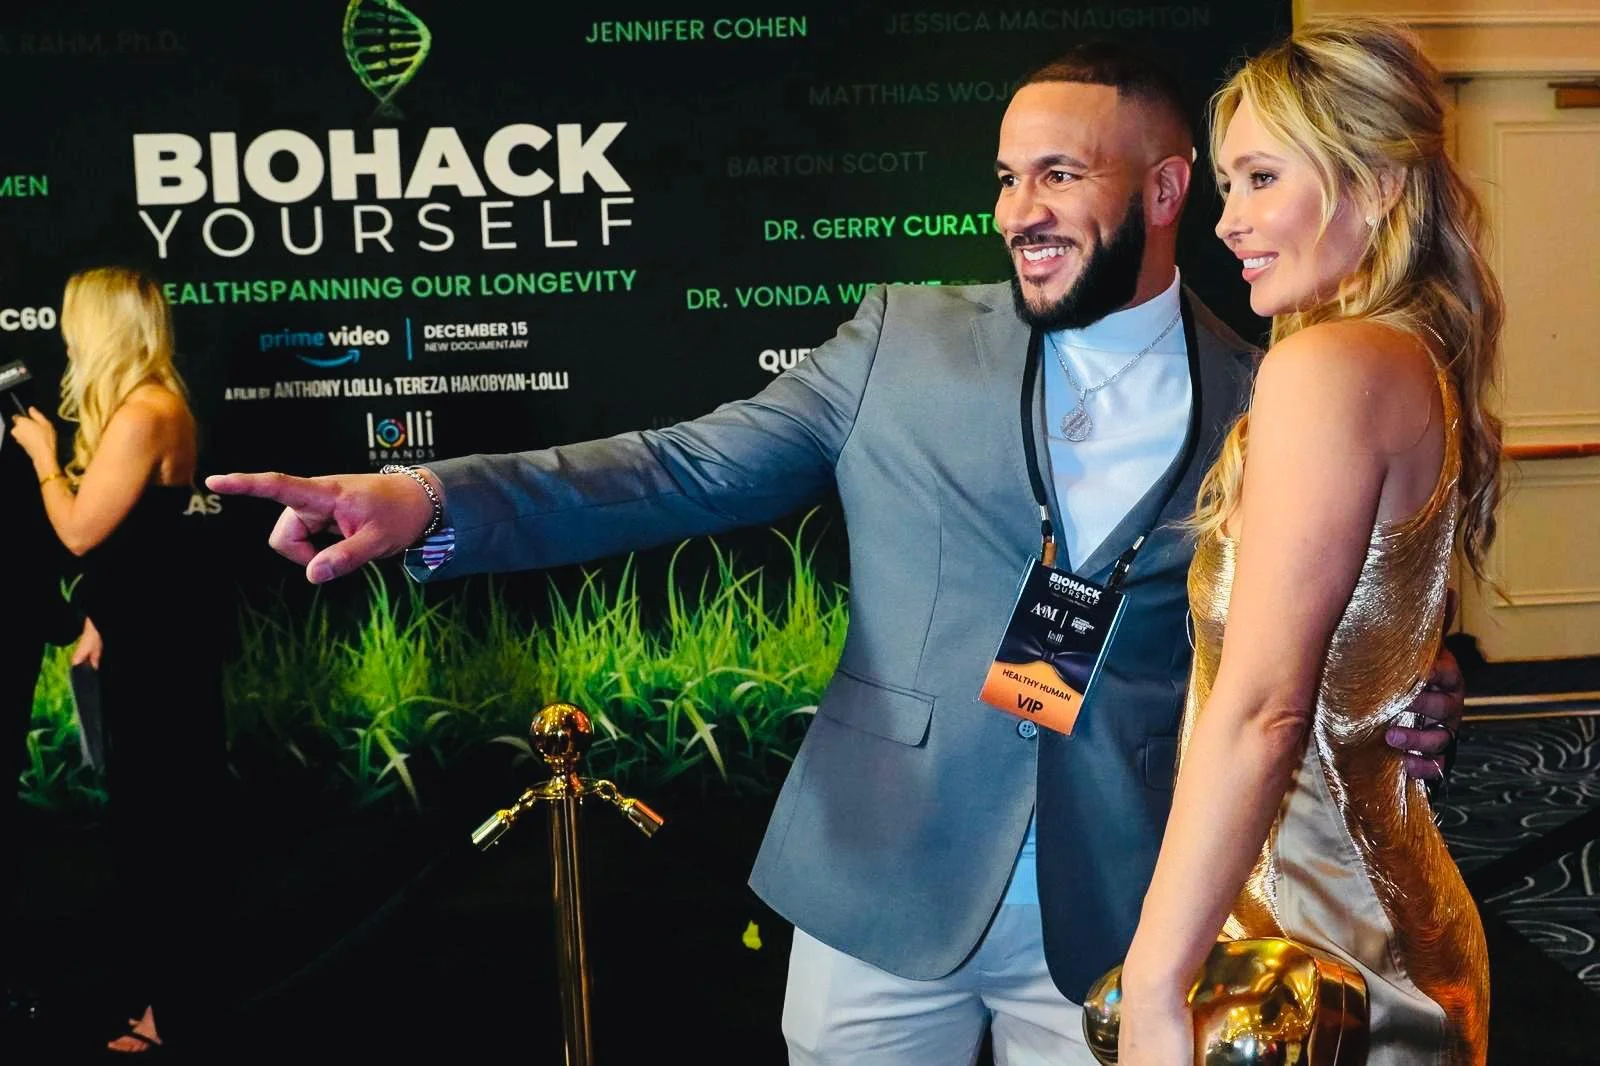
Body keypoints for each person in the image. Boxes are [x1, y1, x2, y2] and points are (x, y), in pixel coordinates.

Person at [208, 41, 1463, 1065]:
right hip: (885, 877)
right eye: (1004, 175)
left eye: (1059, 174)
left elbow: (1330, 614)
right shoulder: (898, 341)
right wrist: (431, 498)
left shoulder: (1275, 382)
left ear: (1164, 189)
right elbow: (678, 467)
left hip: (1130, 896)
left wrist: (1411, 684)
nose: (1018, 208)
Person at [1116, 18, 1498, 1066]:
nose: (1227, 221)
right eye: (1226, 184)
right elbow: (1370, 640)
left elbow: (1265, 706)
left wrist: (1154, 978)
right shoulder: (1404, 356)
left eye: (1259, 178)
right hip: (1344, 924)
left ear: (1374, 186)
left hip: (1324, 960)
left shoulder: (1328, 367)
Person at [8, 266, 226, 1056]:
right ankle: (169, 1000)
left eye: (73, 321)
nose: (64, 335)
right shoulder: (152, 405)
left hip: (159, 649)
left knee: (159, 825)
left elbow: (78, 532)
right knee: (155, 821)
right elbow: (143, 545)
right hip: (146, 632)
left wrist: (41, 454)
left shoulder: (144, 411)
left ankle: (170, 1013)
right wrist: (98, 612)